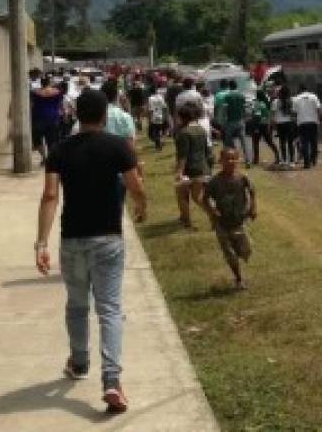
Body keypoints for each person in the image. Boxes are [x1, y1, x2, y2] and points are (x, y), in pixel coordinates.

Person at [36, 88, 147, 414]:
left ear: (76, 115)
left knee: (77, 304)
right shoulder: (117, 147)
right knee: (110, 309)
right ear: (103, 115)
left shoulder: (59, 150)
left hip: (72, 239)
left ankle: (80, 361)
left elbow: (49, 196)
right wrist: (142, 204)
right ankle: (111, 381)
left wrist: (41, 243)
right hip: (108, 239)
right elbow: (134, 184)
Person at [201, 148, 257, 290]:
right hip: (222, 224)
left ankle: (238, 254)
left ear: (238, 160)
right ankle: (238, 278)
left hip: (239, 221)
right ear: (221, 161)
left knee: (246, 250)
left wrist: (253, 207)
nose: (230, 162)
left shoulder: (242, 178)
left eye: (233, 158)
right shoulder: (215, 181)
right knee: (230, 254)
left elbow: (252, 191)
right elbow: (205, 199)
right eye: (227, 159)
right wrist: (212, 212)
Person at [173, 103, 214, 228]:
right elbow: (208, 151)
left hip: (190, 170)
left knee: (184, 195)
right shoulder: (201, 129)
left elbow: (183, 155)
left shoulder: (184, 133)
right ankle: (187, 218)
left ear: (182, 117)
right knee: (198, 196)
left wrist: (179, 172)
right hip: (203, 167)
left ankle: (188, 220)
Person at [30, 74, 66, 163]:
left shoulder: (35, 93)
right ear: (49, 83)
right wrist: (64, 114)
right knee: (52, 140)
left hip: (38, 118)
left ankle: (44, 157)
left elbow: (31, 105)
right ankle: (50, 157)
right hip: (53, 118)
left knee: (37, 140)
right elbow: (61, 105)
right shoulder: (57, 92)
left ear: (41, 83)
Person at [292, 83, 322, 169]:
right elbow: (319, 109)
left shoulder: (296, 99)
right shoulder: (314, 96)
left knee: (304, 143)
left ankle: (307, 163)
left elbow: (294, 114)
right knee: (314, 141)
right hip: (313, 122)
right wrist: (321, 120)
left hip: (302, 123)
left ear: (300, 89)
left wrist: (295, 124)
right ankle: (313, 160)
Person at [221, 80, 251, 165]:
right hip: (240, 121)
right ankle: (248, 160)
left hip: (230, 121)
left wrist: (223, 119)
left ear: (229, 86)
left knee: (227, 140)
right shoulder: (242, 96)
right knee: (243, 141)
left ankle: (228, 157)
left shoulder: (227, 96)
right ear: (236, 86)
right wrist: (245, 118)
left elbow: (225, 109)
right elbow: (245, 108)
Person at [249, 84, 281, 165]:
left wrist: (255, 127)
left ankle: (256, 160)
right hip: (265, 124)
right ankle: (277, 155)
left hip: (258, 124)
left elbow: (257, 115)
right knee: (269, 141)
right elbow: (267, 115)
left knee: (255, 142)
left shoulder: (256, 104)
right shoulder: (265, 103)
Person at [270, 86, 298, 169]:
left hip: (280, 124)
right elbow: (294, 114)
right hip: (290, 123)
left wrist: (272, 124)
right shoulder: (292, 101)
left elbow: (272, 114)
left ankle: (284, 160)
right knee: (290, 143)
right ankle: (292, 161)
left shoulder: (276, 102)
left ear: (280, 93)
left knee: (282, 142)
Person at [146, 85, 170, 152]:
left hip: (154, 116)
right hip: (161, 115)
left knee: (155, 132)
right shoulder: (160, 97)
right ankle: (161, 141)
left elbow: (150, 110)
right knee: (163, 130)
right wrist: (166, 116)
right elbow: (165, 107)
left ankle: (158, 145)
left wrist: (149, 119)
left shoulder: (150, 98)